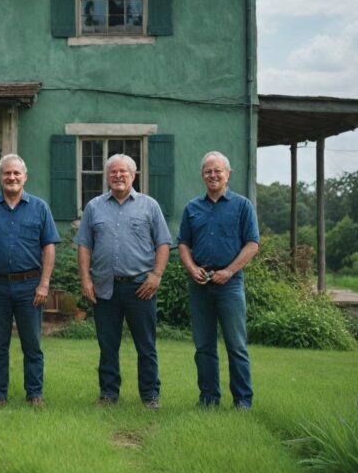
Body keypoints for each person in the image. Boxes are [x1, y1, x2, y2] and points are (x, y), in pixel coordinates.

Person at [75, 154, 171, 408]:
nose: (118, 176)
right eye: (113, 172)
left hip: (141, 286)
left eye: (123, 172)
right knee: (107, 345)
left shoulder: (150, 206)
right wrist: (85, 279)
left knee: (146, 345)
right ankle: (108, 394)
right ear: (107, 177)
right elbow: (84, 245)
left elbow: (163, 243)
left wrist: (156, 275)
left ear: (133, 175)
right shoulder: (94, 207)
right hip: (104, 287)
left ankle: (150, 395)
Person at [0, 154, 60, 407]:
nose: (12, 177)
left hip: (29, 286)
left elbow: (49, 247)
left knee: (32, 344)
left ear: (25, 177)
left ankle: (34, 394)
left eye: (16, 173)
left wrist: (44, 284)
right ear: (0, 177)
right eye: (7, 173)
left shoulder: (40, 208)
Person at [178, 151, 260, 409]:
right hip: (200, 283)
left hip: (230, 284)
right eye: (208, 171)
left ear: (228, 174)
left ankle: (243, 401)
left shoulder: (242, 205)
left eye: (217, 171)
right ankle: (209, 399)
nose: (213, 175)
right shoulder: (192, 208)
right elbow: (183, 243)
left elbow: (252, 244)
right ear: (203, 175)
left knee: (236, 346)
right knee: (203, 346)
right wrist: (191, 268)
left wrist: (230, 271)